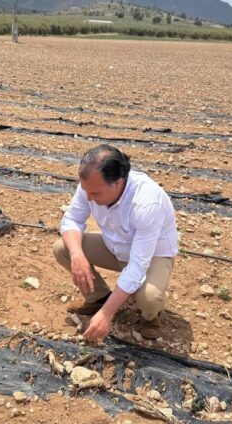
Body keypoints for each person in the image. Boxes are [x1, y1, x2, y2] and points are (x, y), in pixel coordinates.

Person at [53, 145, 178, 341]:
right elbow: (72, 220)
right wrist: (77, 255)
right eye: (86, 191)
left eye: (95, 194)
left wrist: (106, 315)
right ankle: (99, 298)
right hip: (114, 247)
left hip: (153, 256)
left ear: (118, 183)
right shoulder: (90, 185)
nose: (88, 198)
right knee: (63, 249)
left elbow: (137, 266)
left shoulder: (146, 202)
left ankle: (150, 317)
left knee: (149, 298)